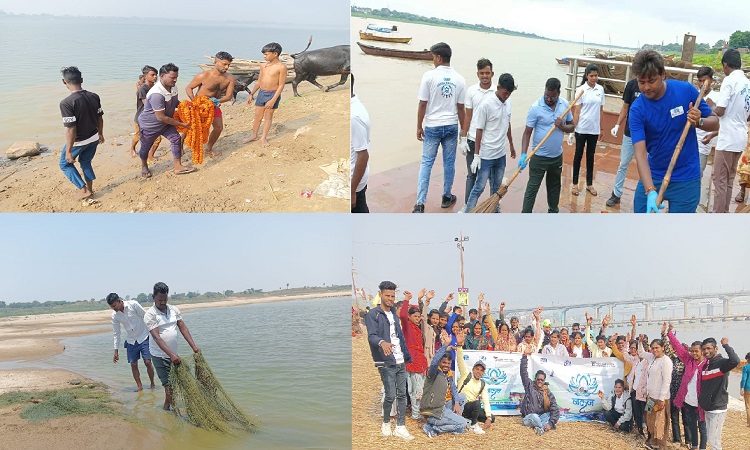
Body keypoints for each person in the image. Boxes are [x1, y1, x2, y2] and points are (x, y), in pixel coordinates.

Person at [629, 50, 718, 213]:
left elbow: (715, 123)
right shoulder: (637, 110)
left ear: (663, 74)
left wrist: (699, 121)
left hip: (686, 177)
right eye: (642, 82)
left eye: (651, 81)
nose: (647, 87)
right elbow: (640, 154)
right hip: (653, 174)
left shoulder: (685, 91)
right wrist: (649, 190)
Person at [413, 42, 466, 213]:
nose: (433, 60)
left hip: (433, 126)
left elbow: (422, 103)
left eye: (433, 57)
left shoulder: (428, 76)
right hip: (451, 125)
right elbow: (460, 108)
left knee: (427, 163)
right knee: (449, 162)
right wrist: (464, 132)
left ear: (439, 57)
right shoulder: (460, 79)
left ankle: (420, 203)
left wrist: (419, 126)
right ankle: (446, 196)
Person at [365, 281, 414, 440]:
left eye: (393, 296)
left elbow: (399, 332)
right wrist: (382, 342)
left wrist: (407, 299)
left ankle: (400, 426)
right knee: (390, 394)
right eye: (387, 295)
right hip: (386, 361)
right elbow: (371, 336)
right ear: (380, 294)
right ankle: (386, 422)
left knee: (402, 395)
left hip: (400, 360)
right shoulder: (373, 314)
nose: (390, 299)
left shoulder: (393, 312)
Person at [464, 73, 516, 212]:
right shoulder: (486, 105)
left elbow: (507, 124)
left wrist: (511, 144)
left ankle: (494, 210)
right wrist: (476, 155)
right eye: (505, 93)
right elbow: (478, 130)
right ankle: (468, 211)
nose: (507, 96)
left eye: (509, 94)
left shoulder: (508, 103)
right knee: (479, 187)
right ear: (498, 88)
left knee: (496, 188)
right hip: (486, 155)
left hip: (500, 154)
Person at [520, 77, 574, 212]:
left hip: (556, 157)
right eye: (547, 95)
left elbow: (572, 127)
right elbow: (527, 133)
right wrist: (523, 154)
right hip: (538, 157)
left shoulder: (565, 105)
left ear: (559, 93)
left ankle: (553, 212)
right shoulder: (535, 107)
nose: (549, 99)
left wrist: (562, 126)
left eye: (553, 96)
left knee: (554, 187)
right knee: (532, 189)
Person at [143, 282, 200, 411]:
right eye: (159, 300)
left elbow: (183, 328)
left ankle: (166, 409)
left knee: (176, 385)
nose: (162, 302)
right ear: (153, 297)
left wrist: (194, 347)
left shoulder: (174, 310)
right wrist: (171, 355)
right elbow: (157, 337)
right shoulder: (150, 315)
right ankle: (175, 415)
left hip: (173, 355)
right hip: (159, 355)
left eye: (165, 299)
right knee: (169, 386)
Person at [138, 63, 194, 177]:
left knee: (176, 139)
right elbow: (161, 117)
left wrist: (185, 106)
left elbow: (174, 102)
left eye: (176, 77)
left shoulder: (173, 87)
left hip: (166, 123)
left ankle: (178, 166)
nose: (175, 80)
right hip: (150, 125)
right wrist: (182, 124)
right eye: (172, 78)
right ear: (162, 76)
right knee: (145, 148)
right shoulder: (157, 94)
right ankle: (144, 165)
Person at [712, 49, 750, 213]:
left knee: (719, 180)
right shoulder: (747, 83)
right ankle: (724, 212)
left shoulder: (729, 81)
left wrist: (709, 107)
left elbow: (720, 110)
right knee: (728, 180)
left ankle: (719, 216)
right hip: (740, 137)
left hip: (727, 139)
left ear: (725, 65)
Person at [58, 66, 104, 200]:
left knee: (65, 164)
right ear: (81, 80)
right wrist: (100, 134)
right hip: (94, 137)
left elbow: (71, 129)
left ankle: (84, 190)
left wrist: (68, 150)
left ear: (64, 82)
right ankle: (90, 189)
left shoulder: (66, 103)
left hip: (79, 141)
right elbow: (100, 117)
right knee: (85, 162)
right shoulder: (94, 96)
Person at [185, 51, 236, 158]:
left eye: (228, 65)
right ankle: (180, 147)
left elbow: (229, 96)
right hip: (199, 105)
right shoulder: (203, 76)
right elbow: (189, 88)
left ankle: (208, 148)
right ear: (215, 62)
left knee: (218, 128)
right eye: (224, 64)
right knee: (191, 127)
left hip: (214, 106)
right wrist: (194, 100)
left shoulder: (230, 78)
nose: (226, 67)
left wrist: (217, 101)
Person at [421, 330, 471, 437]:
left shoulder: (448, 374)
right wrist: (446, 345)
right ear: (440, 363)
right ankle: (434, 427)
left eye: (448, 363)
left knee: (461, 397)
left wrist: (456, 402)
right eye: (444, 362)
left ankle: (452, 423)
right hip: (433, 411)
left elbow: (453, 389)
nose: (446, 365)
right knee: (463, 423)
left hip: (443, 407)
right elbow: (435, 361)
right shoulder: (433, 372)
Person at [460, 58, 495, 205]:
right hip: (473, 140)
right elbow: (468, 116)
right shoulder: (471, 91)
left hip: (490, 141)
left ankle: (494, 206)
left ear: (492, 74)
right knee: (472, 175)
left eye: (487, 73)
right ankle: (468, 206)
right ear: (477, 74)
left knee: (492, 177)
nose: (485, 76)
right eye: (482, 73)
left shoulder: (497, 93)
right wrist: (463, 138)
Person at [666, 323, 707, 450]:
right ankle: (694, 446)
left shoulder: (707, 365)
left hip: (701, 403)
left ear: (702, 351)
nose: (694, 353)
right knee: (692, 426)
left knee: (703, 428)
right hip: (688, 401)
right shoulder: (689, 360)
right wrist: (670, 334)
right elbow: (678, 347)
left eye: (697, 351)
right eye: (692, 351)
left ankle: (702, 448)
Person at [107, 293, 155, 391]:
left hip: (144, 336)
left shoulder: (133, 304)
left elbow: (145, 317)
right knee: (133, 364)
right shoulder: (115, 316)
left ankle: (152, 383)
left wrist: (154, 334)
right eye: (112, 307)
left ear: (119, 301)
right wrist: (116, 350)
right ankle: (139, 386)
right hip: (131, 341)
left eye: (114, 306)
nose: (114, 308)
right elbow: (116, 333)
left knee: (147, 362)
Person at [699, 337, 740, 450]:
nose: (706, 351)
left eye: (709, 348)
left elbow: (735, 361)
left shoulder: (722, 364)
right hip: (708, 407)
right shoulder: (706, 365)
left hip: (717, 408)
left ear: (716, 348)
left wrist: (726, 346)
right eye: (704, 349)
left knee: (714, 441)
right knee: (711, 439)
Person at [607, 77, 641, 206]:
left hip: (647, 135)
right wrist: (617, 124)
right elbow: (625, 107)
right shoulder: (632, 84)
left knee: (646, 166)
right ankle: (616, 193)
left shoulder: (652, 86)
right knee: (623, 163)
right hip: (629, 132)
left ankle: (646, 195)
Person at [571, 64, 605, 196]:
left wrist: (601, 128)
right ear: (586, 76)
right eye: (591, 76)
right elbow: (577, 112)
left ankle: (589, 184)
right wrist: (572, 129)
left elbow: (601, 110)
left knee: (590, 157)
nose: (594, 78)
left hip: (594, 129)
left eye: (596, 75)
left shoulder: (600, 89)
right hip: (581, 128)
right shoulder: (581, 90)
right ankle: (574, 184)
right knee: (578, 155)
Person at [244, 43, 286, 147]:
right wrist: (251, 94)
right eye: (264, 54)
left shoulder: (281, 67)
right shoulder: (263, 65)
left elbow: (281, 86)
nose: (264, 56)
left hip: (273, 94)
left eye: (266, 54)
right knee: (257, 116)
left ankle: (263, 137)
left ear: (275, 54)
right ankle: (254, 135)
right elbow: (259, 81)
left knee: (268, 116)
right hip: (262, 93)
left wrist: (273, 100)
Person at [455, 330, 493, 434]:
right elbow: (460, 360)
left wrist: (489, 417)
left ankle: (469, 420)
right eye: (477, 369)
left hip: (472, 409)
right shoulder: (466, 374)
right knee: (476, 403)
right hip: (462, 406)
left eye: (481, 370)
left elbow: (485, 400)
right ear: (473, 369)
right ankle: (473, 424)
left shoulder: (483, 384)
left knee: (491, 418)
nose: (479, 372)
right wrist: (459, 345)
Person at [639, 338, 673, 450]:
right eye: (653, 348)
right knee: (650, 419)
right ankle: (653, 442)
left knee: (661, 423)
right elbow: (641, 353)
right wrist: (640, 342)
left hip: (660, 398)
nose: (654, 350)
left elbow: (667, 381)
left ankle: (661, 445)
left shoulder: (666, 361)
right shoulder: (652, 358)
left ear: (663, 348)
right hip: (650, 397)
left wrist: (662, 398)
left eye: (657, 348)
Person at [399, 291, 427, 420]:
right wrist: (406, 300)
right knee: (412, 390)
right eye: (415, 316)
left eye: (419, 316)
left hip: (418, 362)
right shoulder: (407, 327)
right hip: (410, 362)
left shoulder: (417, 328)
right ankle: (414, 414)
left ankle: (415, 414)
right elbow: (403, 316)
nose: (417, 318)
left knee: (416, 390)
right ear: (410, 317)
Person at [520, 353, 559, 435]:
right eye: (538, 379)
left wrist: (551, 423)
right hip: (529, 417)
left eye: (542, 380)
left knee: (550, 414)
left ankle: (541, 426)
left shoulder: (547, 392)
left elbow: (555, 409)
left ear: (544, 381)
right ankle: (542, 428)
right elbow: (523, 373)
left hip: (541, 416)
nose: (540, 381)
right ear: (535, 379)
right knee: (534, 417)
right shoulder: (529, 386)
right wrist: (524, 356)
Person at [694, 66, 719, 188]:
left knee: (697, 175)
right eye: (699, 80)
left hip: (703, 144)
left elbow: (719, 123)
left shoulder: (716, 98)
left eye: (704, 80)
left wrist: (712, 135)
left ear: (711, 80)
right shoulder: (694, 95)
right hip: (690, 141)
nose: (701, 84)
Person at [130, 65, 161, 160]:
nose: (155, 77)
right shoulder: (143, 89)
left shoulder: (156, 88)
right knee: (138, 135)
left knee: (158, 139)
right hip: (141, 118)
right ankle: (132, 148)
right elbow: (148, 104)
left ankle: (150, 155)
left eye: (156, 75)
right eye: (152, 75)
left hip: (153, 118)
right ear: (145, 76)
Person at [350, 74, 371, 213]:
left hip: (354, 183)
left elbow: (363, 156)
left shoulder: (354, 117)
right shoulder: (355, 106)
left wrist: (351, 191)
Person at [741, 352, 750, 427]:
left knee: (748, 406)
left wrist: (741, 388)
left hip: (748, 388)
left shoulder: (746, 367)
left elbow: (744, 379)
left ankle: (749, 423)